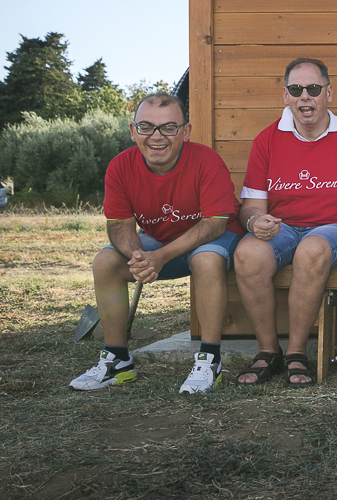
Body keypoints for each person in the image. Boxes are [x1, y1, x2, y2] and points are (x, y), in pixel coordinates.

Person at [70, 93, 242, 394]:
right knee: (106, 261)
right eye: (146, 127)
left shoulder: (206, 160)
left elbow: (214, 224)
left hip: (216, 236)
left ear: (185, 132)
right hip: (161, 241)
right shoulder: (120, 166)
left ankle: (209, 360)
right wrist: (137, 255)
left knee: (204, 259)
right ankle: (117, 360)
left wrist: (160, 256)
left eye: (169, 127)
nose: (157, 136)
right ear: (133, 131)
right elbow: (119, 224)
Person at [233, 58, 337, 387]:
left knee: (312, 248)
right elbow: (251, 208)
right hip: (285, 228)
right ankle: (268, 351)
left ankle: (296, 353)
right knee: (247, 254)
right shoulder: (267, 140)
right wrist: (255, 222)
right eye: (296, 89)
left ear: (328, 93)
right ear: (285, 95)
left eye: (313, 89)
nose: (305, 96)